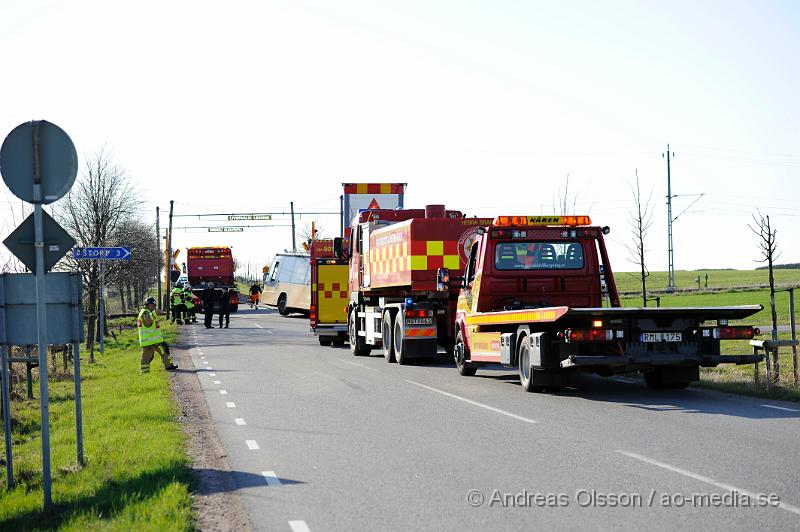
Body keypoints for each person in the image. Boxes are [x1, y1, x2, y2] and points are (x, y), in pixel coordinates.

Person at [138, 297, 177, 373]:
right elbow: (147, 320)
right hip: (151, 340)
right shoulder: (144, 312)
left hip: (149, 340)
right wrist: (155, 313)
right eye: (151, 305)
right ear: (147, 305)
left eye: (154, 305)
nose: (153, 307)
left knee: (148, 356)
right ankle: (167, 366)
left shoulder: (148, 312)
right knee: (160, 350)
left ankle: (145, 372)